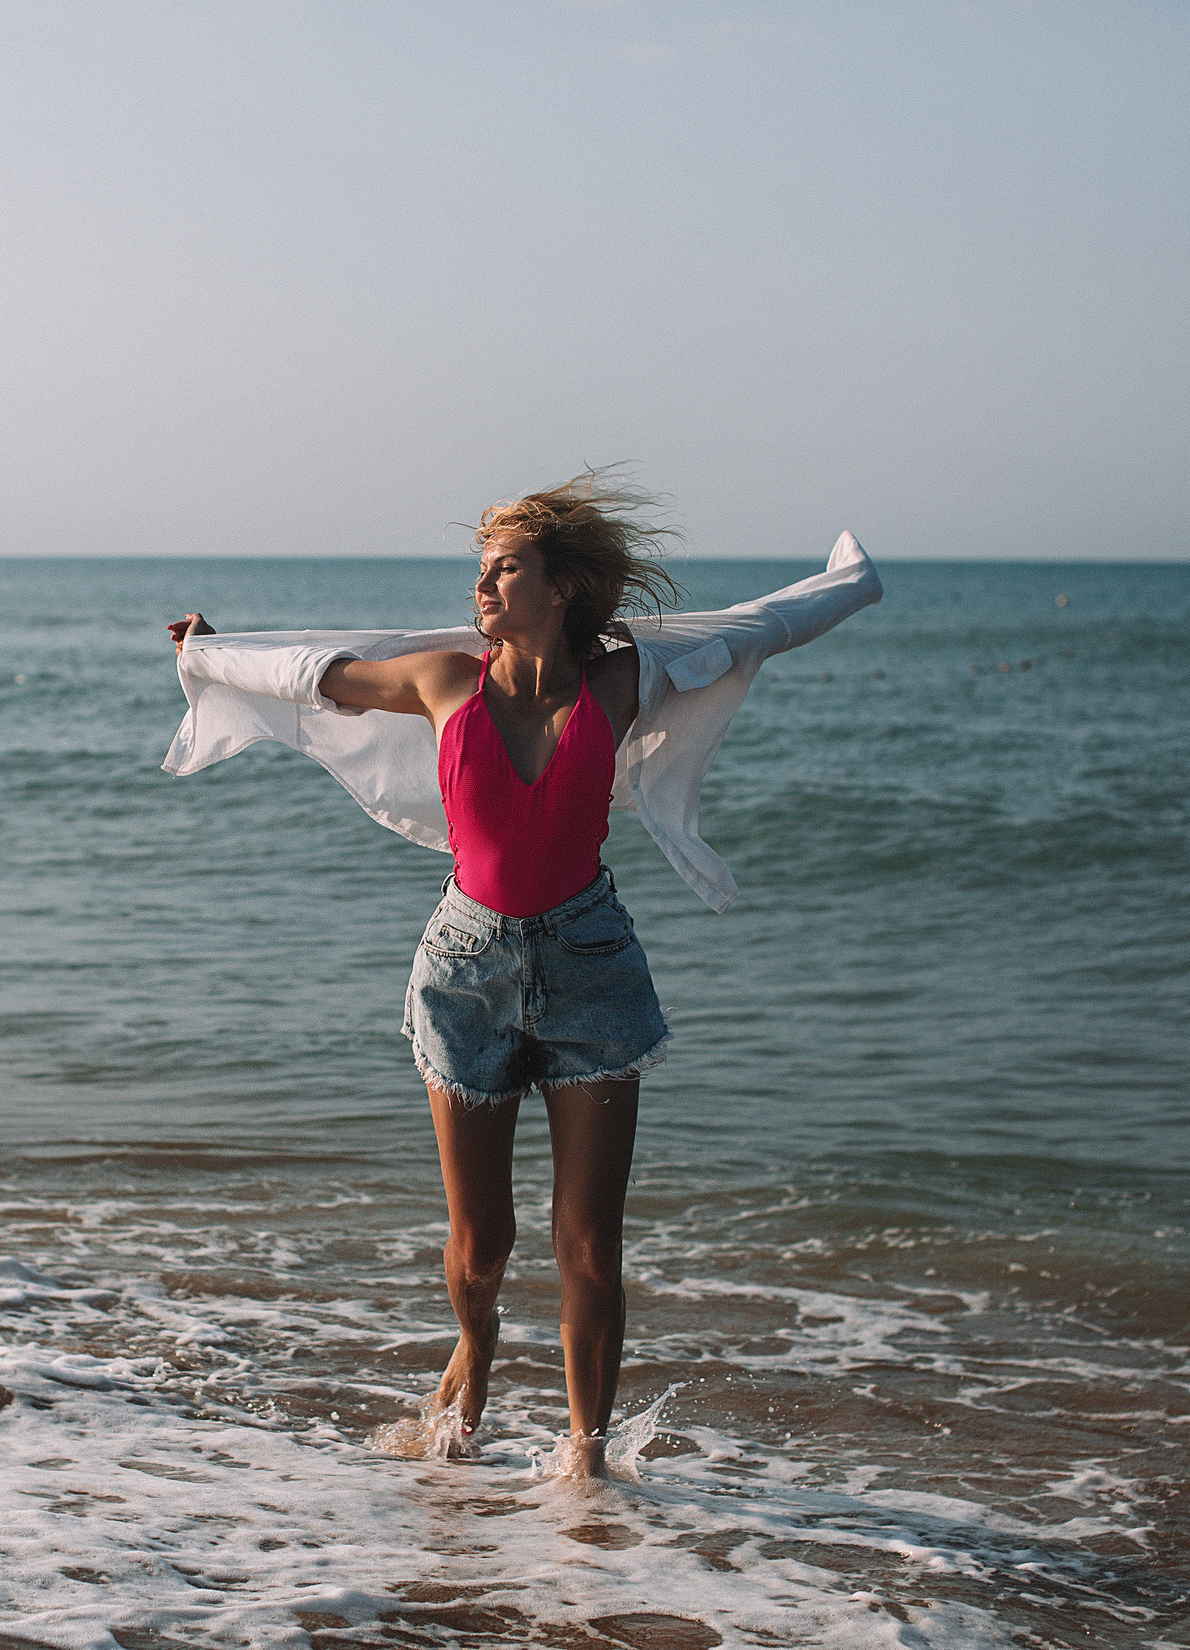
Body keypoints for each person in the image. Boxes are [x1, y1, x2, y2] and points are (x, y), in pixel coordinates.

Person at [166, 475, 882, 1479]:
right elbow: (312, 674)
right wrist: (205, 650)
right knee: (484, 1245)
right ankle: (477, 1339)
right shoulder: (443, 684)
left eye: (505, 569)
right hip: (465, 968)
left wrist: (851, 582)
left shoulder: (621, 682)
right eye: (482, 570)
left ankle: (586, 1461)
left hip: (592, 965)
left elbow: (757, 628)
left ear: (562, 588)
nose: (483, 587)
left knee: (589, 1245)